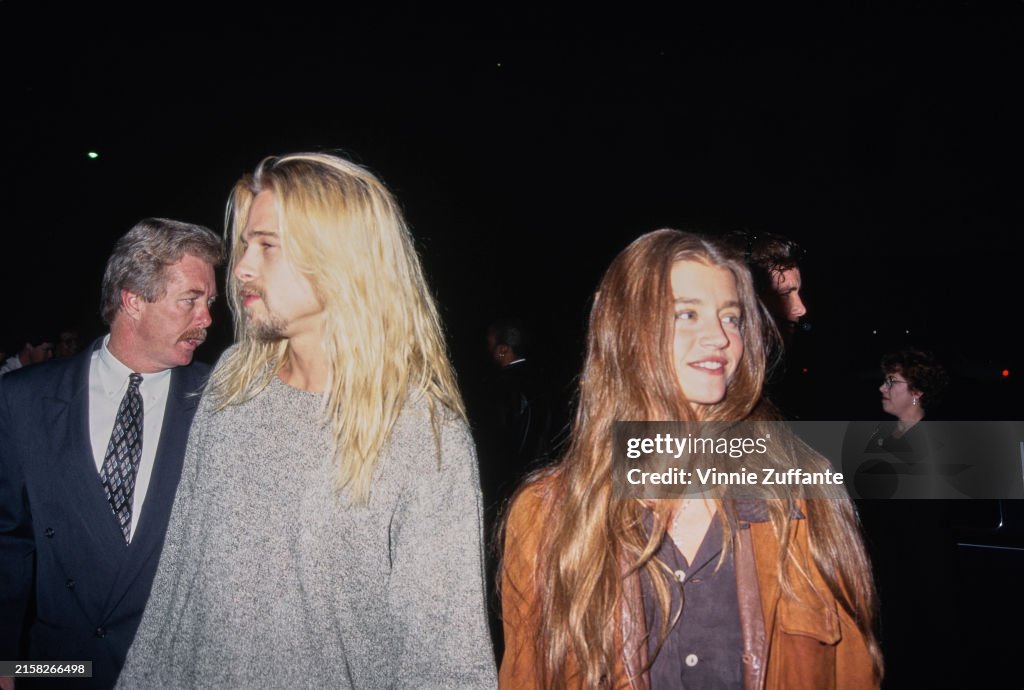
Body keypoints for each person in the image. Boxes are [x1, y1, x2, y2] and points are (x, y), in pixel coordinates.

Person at [116, 153, 496, 688]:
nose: (242, 268)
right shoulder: (234, 383)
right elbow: (178, 582)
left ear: (339, 258)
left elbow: (446, 660)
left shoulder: (420, 432)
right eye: (246, 245)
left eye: (267, 246)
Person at [499, 229, 881, 689]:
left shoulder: (804, 493)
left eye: (731, 318)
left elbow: (853, 671)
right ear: (624, 331)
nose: (719, 337)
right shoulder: (545, 516)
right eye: (687, 314)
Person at [0, 218, 223, 690]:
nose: (206, 319)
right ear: (133, 300)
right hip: (58, 671)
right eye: (190, 300)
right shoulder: (23, 399)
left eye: (209, 303)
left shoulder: (221, 405)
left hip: (173, 675)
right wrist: (6, 667)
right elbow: (7, 544)